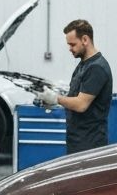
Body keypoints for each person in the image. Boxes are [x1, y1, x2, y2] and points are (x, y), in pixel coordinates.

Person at [36, 19, 113, 154]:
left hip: (89, 144)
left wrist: (56, 98)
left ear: (85, 39)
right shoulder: (84, 65)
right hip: (77, 139)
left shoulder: (96, 68)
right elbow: (75, 96)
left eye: (72, 44)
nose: (70, 49)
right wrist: (52, 99)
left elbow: (81, 104)